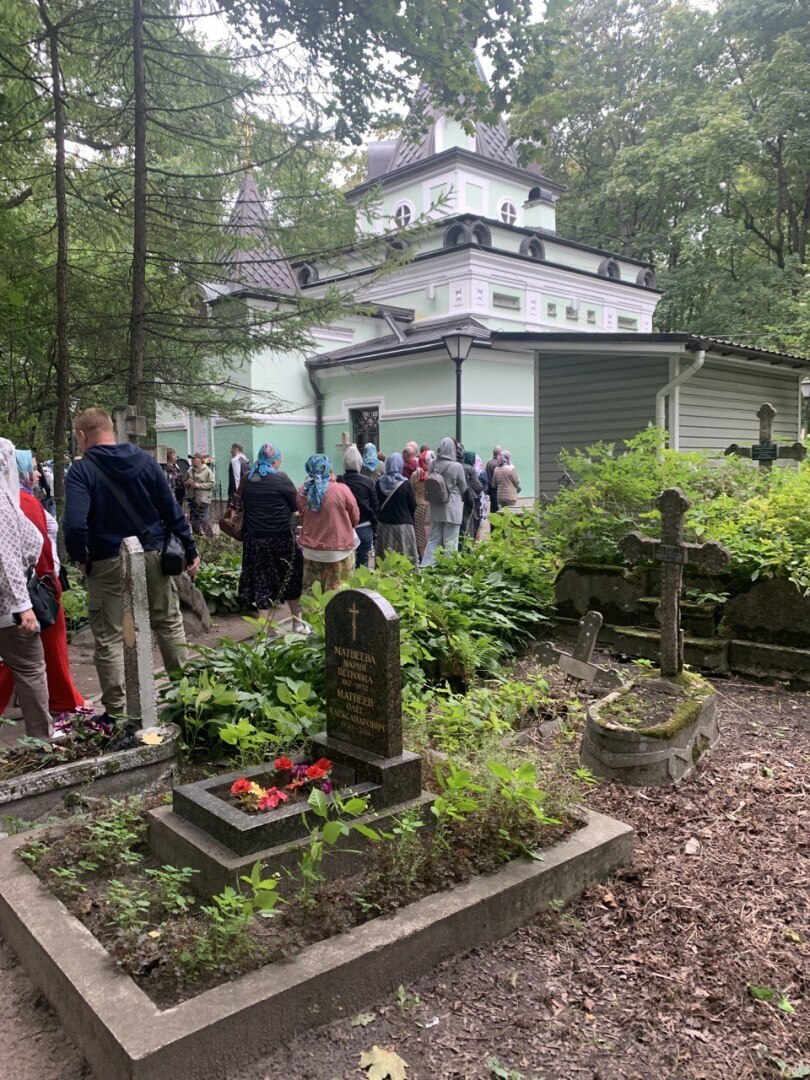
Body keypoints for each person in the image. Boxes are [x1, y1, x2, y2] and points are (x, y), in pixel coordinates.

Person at [63, 408, 200, 720]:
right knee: (167, 622)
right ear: (111, 430)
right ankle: (185, 699)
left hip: (107, 560)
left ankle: (115, 713)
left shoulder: (81, 471)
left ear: (83, 436)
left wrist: (82, 559)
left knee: (110, 635)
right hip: (152, 554)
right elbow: (171, 509)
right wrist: (190, 550)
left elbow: (74, 525)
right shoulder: (143, 460)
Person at [0, 440, 85, 719]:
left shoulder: (19, 498)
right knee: (33, 664)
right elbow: (14, 556)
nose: (36, 474)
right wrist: (29, 600)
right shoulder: (17, 502)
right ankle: (46, 728)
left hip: (29, 589)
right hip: (28, 593)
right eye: (31, 468)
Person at [0, 482, 53, 740]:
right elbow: (6, 556)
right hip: (7, 608)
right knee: (31, 668)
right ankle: (41, 741)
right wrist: (23, 605)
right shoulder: (1, 498)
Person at [238, 443, 304, 634]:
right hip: (281, 539)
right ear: (275, 460)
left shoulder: (247, 478)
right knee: (291, 577)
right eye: (279, 459)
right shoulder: (281, 479)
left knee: (262, 582)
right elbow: (296, 505)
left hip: (255, 540)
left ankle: (266, 629)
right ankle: (297, 622)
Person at [296, 454, 359, 592]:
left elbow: (302, 515)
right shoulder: (342, 489)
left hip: (311, 551)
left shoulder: (302, 491)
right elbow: (355, 515)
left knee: (312, 594)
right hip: (338, 550)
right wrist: (346, 526)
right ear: (329, 469)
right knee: (339, 593)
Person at [420, 436, 467, 568]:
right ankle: (448, 569)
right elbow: (463, 487)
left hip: (435, 506)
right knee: (451, 541)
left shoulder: (432, 463)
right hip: (452, 507)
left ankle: (426, 568)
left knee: (433, 539)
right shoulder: (457, 466)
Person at [337, 446, 378, 567]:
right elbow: (375, 505)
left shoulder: (339, 481)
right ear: (360, 463)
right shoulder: (367, 481)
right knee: (363, 563)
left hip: (345, 527)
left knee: (346, 565)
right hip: (365, 526)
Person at [375, 452, 418, 563]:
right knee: (405, 559)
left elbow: (376, 504)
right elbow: (413, 505)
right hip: (403, 528)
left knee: (385, 561)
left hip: (384, 527)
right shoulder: (405, 484)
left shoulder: (379, 483)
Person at [410, 448, 433, 559]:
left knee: (420, 535)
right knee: (433, 534)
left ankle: (423, 559)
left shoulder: (415, 475)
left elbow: (412, 491)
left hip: (419, 506)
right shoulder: (435, 474)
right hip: (433, 508)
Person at [185, 452, 214, 536]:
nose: (192, 460)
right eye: (191, 458)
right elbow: (185, 484)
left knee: (204, 519)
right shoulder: (189, 471)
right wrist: (187, 483)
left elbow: (211, 484)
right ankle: (198, 539)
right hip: (192, 499)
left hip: (203, 499)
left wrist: (198, 485)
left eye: (194, 458)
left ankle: (210, 538)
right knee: (194, 520)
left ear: (200, 459)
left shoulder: (207, 471)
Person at [461, 449, 484, 540]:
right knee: (469, 522)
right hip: (469, 499)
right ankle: (468, 546)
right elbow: (478, 487)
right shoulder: (470, 469)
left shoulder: (458, 466)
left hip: (458, 498)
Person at [486, 445, 502, 515]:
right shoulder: (497, 464)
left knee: (493, 507)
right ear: (499, 454)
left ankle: (492, 525)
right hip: (497, 489)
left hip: (491, 489)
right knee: (497, 508)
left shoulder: (489, 462)